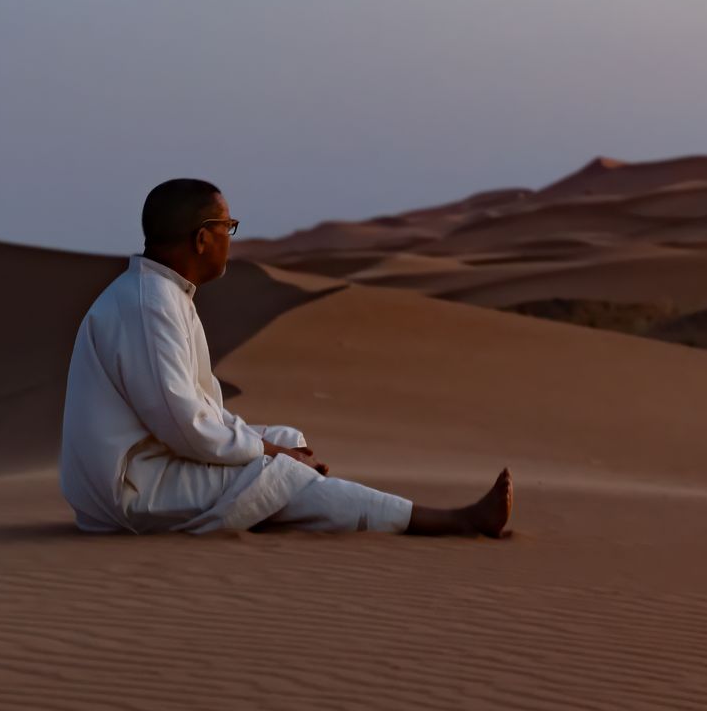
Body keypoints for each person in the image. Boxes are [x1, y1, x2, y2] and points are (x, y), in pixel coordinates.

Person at [60, 178, 512, 537]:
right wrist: (266, 451)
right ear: (202, 239)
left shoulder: (162, 294)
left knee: (289, 444)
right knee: (282, 468)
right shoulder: (150, 304)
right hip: (134, 490)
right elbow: (185, 426)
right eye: (227, 228)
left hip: (151, 465)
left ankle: (298, 500)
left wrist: (272, 444)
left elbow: (200, 415)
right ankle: (448, 521)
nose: (230, 241)